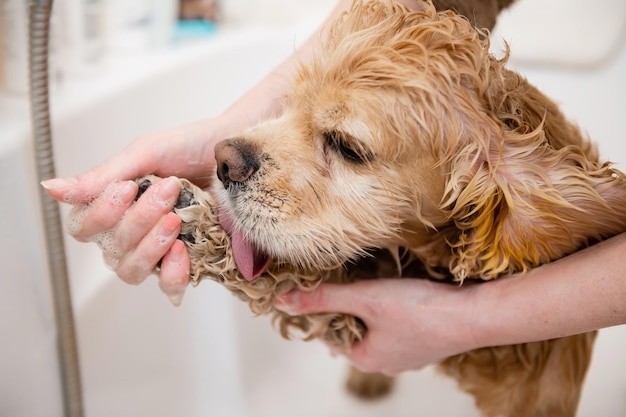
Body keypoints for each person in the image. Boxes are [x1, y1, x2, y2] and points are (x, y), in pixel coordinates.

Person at [42, 0, 626, 375]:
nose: (237, 153)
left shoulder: (530, 207)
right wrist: (232, 125)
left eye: (346, 146)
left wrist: (463, 320)